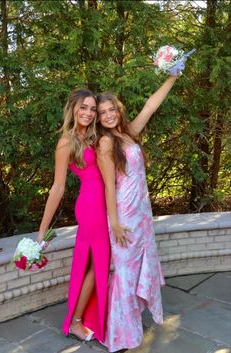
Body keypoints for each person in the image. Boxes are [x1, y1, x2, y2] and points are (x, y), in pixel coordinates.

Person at [96, 75, 179, 352]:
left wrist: (172, 77)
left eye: (111, 110)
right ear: (98, 119)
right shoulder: (106, 143)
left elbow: (150, 106)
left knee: (136, 272)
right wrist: (115, 223)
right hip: (125, 217)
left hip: (142, 215)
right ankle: (121, 336)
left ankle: (129, 327)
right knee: (125, 276)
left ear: (118, 110)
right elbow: (109, 186)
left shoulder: (127, 133)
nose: (108, 116)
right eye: (102, 113)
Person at [36, 89, 110, 342]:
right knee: (93, 263)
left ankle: (88, 317)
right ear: (73, 109)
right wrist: (42, 230)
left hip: (107, 202)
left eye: (92, 109)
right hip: (91, 205)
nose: (88, 113)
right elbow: (58, 187)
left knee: (100, 262)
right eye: (84, 107)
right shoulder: (67, 142)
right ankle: (77, 321)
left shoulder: (96, 135)